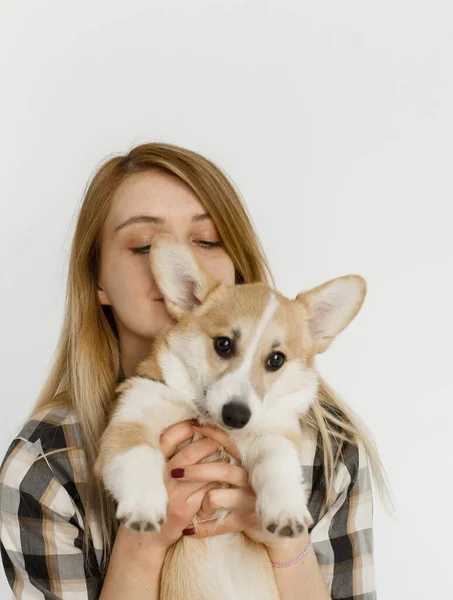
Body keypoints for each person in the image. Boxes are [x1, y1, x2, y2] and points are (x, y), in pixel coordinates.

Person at [0, 142, 390, 599]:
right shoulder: (44, 466)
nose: (184, 267)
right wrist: (143, 543)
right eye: (144, 245)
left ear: (237, 268)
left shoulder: (329, 447)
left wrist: (286, 542)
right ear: (97, 281)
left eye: (207, 241)